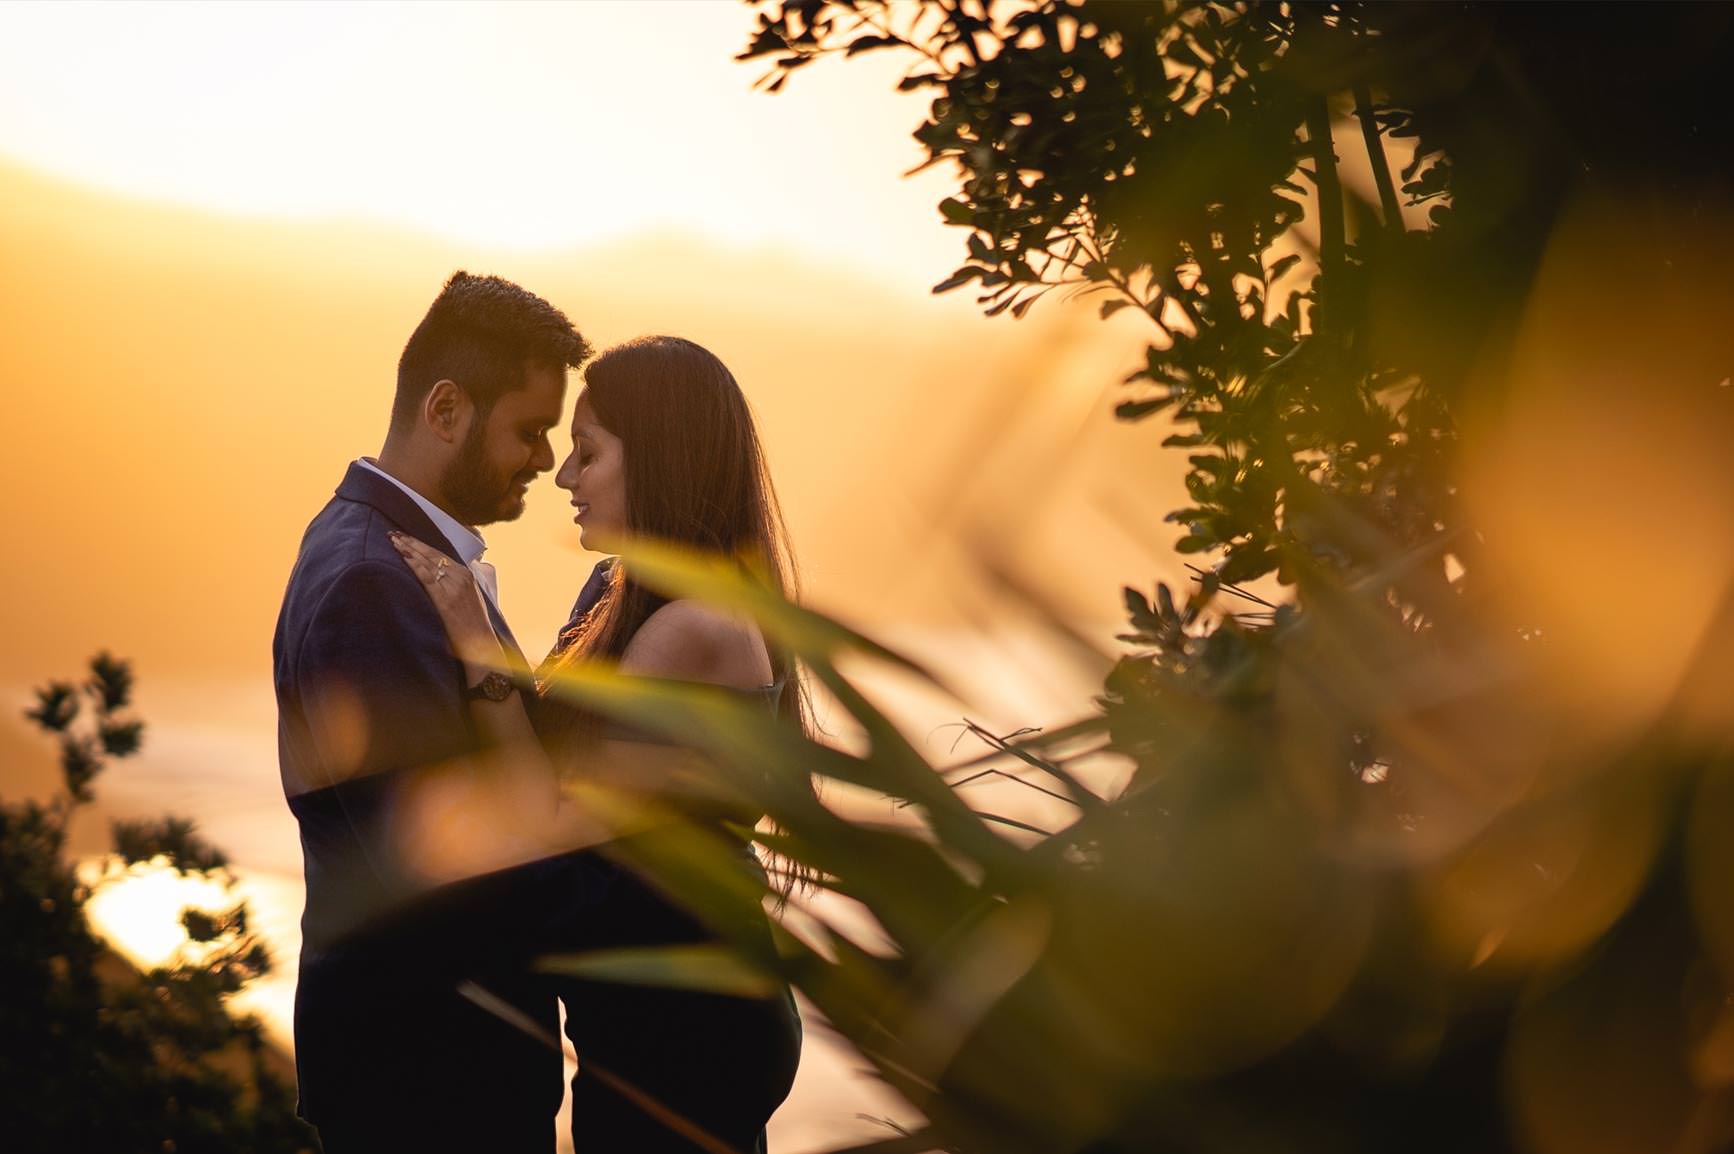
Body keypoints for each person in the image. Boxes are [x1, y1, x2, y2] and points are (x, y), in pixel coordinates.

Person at [389, 335, 805, 1153]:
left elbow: (547, 821)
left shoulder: (692, 629)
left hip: (686, 1029)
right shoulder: (623, 593)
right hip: (647, 1012)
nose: (565, 477)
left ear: (660, 459)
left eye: (589, 452)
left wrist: (477, 650)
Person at [272, 271, 590, 1151]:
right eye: (530, 431)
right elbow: (437, 866)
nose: (544, 460)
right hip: (428, 1081)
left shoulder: (383, 548)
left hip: (426, 1068)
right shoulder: (373, 582)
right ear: (446, 409)